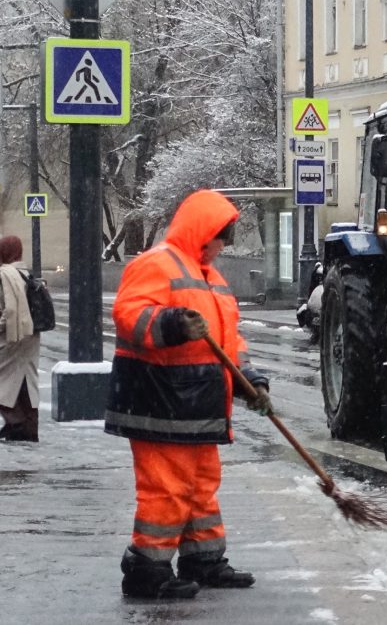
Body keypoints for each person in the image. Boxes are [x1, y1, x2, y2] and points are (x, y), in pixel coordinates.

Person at [104, 189, 274, 600]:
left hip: (196, 405)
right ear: (203, 232)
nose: (224, 247)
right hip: (159, 402)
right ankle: (146, 569)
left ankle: (204, 560)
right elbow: (129, 317)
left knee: (200, 486)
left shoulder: (211, 278)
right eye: (222, 238)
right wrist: (174, 323)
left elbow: (230, 342)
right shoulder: (155, 264)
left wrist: (251, 382)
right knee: (166, 489)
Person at [0, 236, 40, 442]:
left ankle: (16, 422)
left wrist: (0, 325)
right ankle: (28, 430)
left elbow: (13, 309)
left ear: (4, 252)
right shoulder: (24, 271)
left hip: (14, 334)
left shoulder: (7, 273)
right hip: (30, 333)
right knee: (24, 381)